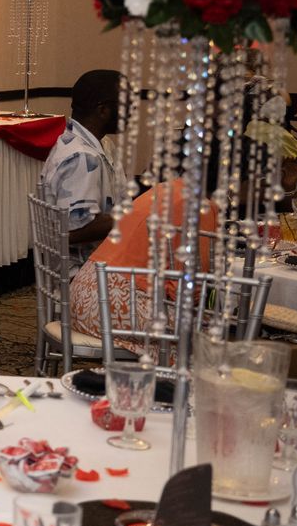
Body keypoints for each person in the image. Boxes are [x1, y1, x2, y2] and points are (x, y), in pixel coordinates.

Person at [67, 179, 218, 356]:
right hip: (111, 308)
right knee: (206, 330)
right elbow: (187, 291)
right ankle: (169, 372)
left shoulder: (165, 188)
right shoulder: (201, 207)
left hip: (83, 295)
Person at [39, 69, 121, 263]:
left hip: (99, 261)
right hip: (81, 270)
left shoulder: (100, 143)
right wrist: (132, 218)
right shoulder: (81, 157)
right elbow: (74, 230)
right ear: (103, 110)